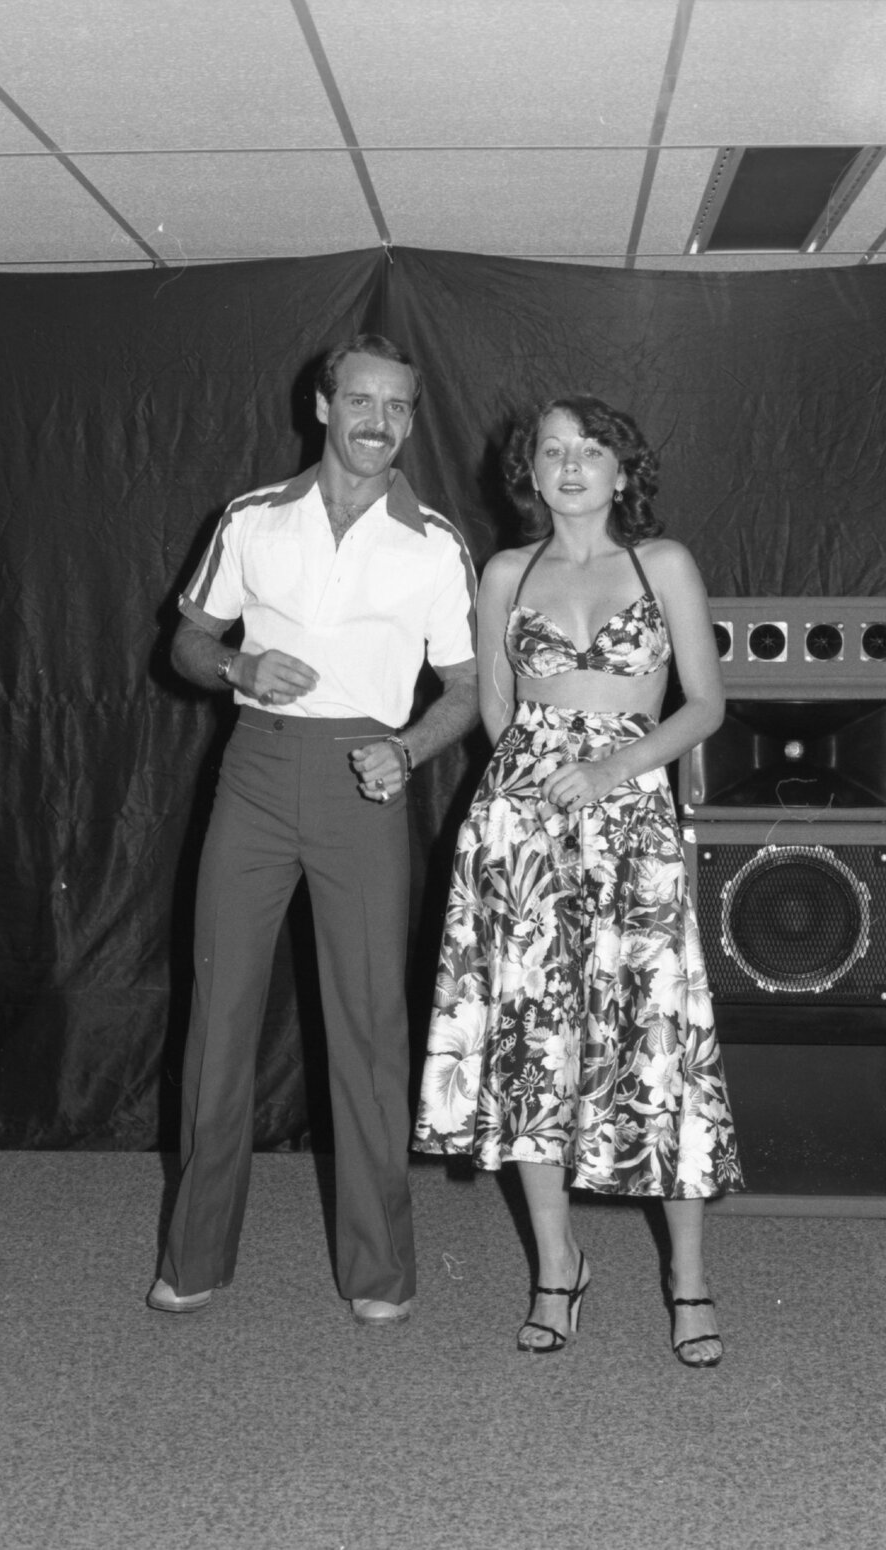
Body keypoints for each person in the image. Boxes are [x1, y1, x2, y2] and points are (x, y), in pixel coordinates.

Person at [150, 334, 478, 1327]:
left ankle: (379, 1271)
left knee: (371, 1024)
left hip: (364, 781)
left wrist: (410, 749)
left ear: (412, 419)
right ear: (324, 405)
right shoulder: (251, 518)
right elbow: (187, 640)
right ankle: (195, 1253)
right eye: (363, 401)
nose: (380, 421)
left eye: (400, 406)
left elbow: (466, 691)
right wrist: (240, 669)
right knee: (220, 1016)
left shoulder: (435, 542)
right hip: (253, 770)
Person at [413, 394, 743, 1366]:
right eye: (551, 451)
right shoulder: (506, 571)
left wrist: (609, 767)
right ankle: (558, 1268)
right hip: (518, 830)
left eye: (589, 449)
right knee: (530, 1047)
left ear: (621, 469)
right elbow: (497, 713)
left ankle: (687, 1278)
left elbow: (707, 704)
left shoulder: (662, 562)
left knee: (657, 1043)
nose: (569, 466)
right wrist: (529, 791)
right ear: (531, 470)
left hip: (629, 815)